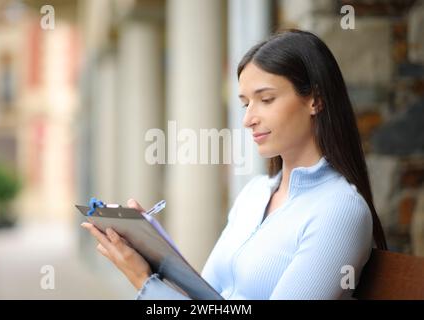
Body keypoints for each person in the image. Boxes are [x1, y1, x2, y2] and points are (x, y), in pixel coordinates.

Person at [81, 29, 388, 300]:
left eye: (266, 99)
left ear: (315, 100)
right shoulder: (254, 193)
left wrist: (142, 281)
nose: (248, 119)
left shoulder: (339, 210)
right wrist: (150, 253)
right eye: (245, 103)